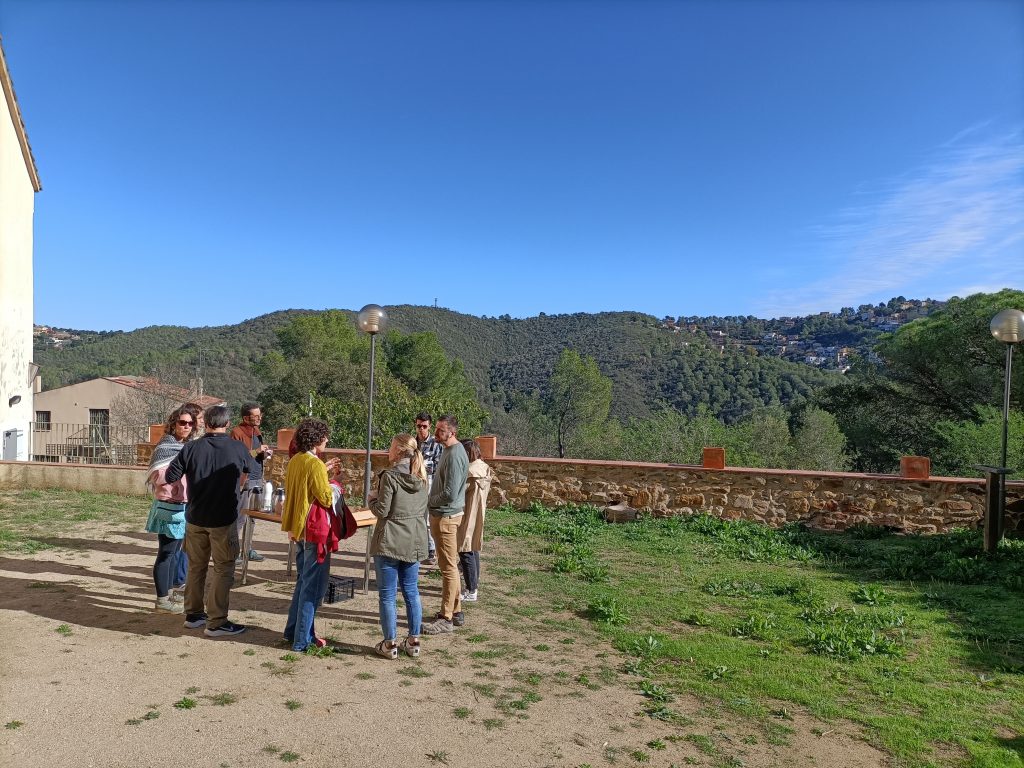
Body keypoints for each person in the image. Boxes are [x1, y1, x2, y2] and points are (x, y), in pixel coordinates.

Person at [165, 405, 259, 637]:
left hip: (195, 517)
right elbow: (255, 472)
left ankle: (194, 615)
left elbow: (170, 476)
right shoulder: (236, 447)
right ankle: (217, 622)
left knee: (196, 567)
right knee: (223, 568)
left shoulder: (191, 447)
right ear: (227, 424)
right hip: (223, 519)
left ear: (205, 423)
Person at [280, 419, 343, 653]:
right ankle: (301, 640)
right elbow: (326, 497)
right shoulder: (314, 464)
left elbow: (307, 485)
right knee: (313, 588)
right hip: (314, 531)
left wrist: (323, 471)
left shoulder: (296, 460)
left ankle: (293, 631)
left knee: (302, 583)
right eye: (325, 436)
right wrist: (335, 484)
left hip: (298, 529)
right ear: (317, 439)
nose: (327, 440)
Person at [369, 433, 429, 659]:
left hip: (390, 541)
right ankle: (413, 641)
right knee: (412, 591)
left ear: (401, 450)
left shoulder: (390, 476)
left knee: (387, 595)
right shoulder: (423, 477)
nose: (389, 450)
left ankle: (390, 643)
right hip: (413, 540)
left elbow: (382, 510)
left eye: (392, 446)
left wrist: (371, 499)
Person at [144, 406, 197, 614]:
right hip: (169, 507)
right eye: (182, 422)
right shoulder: (166, 446)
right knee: (166, 553)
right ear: (174, 423)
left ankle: (169, 596)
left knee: (175, 553)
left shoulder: (189, 446)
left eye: (190, 423)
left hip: (184, 508)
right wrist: (179, 472)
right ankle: (162, 600)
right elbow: (158, 477)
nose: (186, 427)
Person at [421, 415, 469, 635]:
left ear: (452, 432)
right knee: (449, 565)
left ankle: (446, 618)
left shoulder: (456, 454)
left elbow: (449, 493)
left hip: (447, 517)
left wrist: (428, 501)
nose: (437, 433)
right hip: (443, 515)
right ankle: (456, 611)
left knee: (448, 568)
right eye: (437, 429)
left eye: (441, 430)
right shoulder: (448, 451)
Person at [230, 403, 273, 563]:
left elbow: (256, 454)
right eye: (256, 416)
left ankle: (247, 549)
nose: (259, 418)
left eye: (260, 415)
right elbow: (235, 456)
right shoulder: (237, 433)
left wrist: (264, 454)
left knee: (252, 516)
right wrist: (257, 451)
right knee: (240, 517)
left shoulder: (256, 431)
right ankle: (232, 552)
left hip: (257, 478)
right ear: (245, 417)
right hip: (244, 480)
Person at [171, 402, 204, 589]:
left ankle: (180, 577)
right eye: (197, 419)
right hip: (177, 500)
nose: (198, 423)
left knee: (186, 542)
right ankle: (177, 579)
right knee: (176, 543)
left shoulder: (192, 444)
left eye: (194, 422)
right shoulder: (174, 445)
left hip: (190, 499)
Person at [457, 438, 492, 604]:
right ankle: (474, 584)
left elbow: (457, 493)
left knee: (465, 550)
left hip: (467, 513)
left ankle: (471, 590)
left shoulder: (470, 473)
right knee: (473, 548)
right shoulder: (483, 468)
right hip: (477, 513)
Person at [414, 412, 442, 566]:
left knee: (427, 517)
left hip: (429, 483)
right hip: (413, 483)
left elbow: (438, 468)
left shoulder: (436, 444)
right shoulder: (412, 443)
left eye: (424, 426)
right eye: (419, 426)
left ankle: (431, 549)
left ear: (429, 426)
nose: (421, 429)